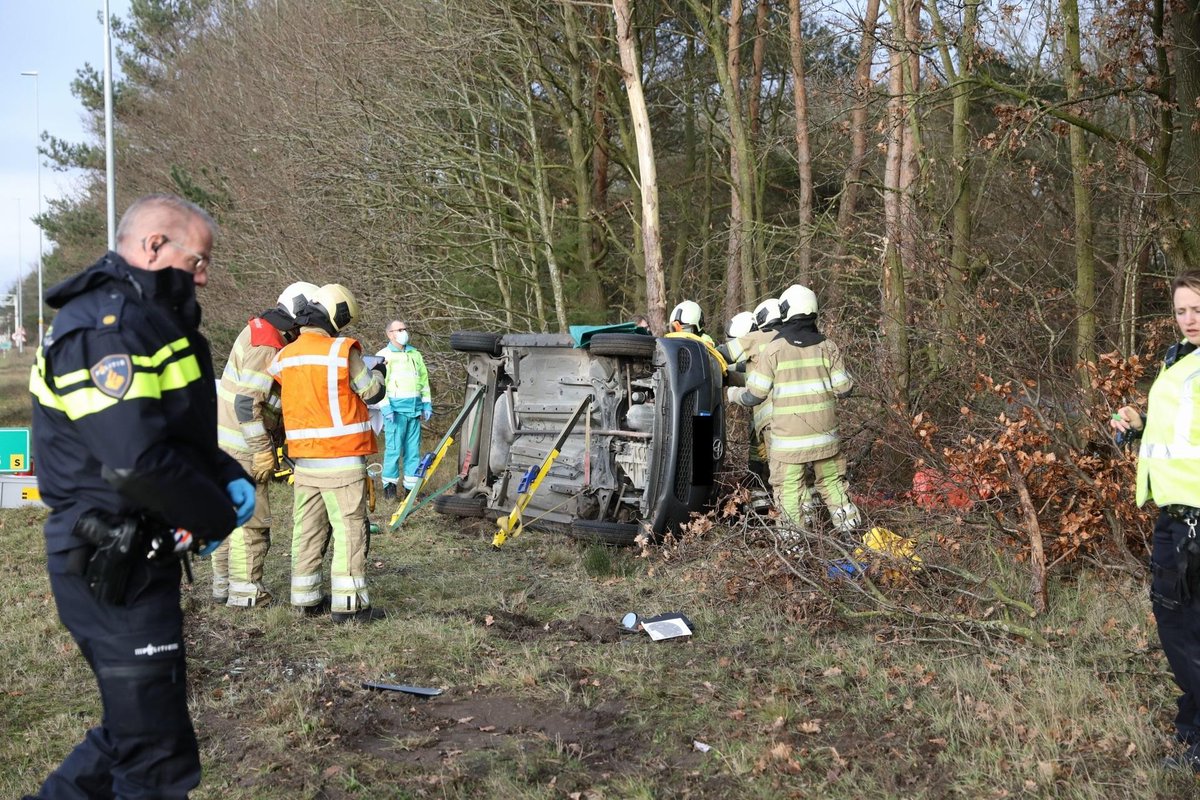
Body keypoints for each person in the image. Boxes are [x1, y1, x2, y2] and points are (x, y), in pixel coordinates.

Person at [25, 193, 255, 799]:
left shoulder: (151, 321)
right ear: (155, 246)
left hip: (138, 551)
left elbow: (170, 428)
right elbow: (135, 460)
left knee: (133, 734)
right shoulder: (107, 329)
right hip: (110, 556)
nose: (204, 275)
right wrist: (214, 517)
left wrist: (223, 468)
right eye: (198, 260)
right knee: (154, 758)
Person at [1112, 272, 1200, 771]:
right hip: (1174, 512)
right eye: (1182, 310)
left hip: (1194, 521)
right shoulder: (1179, 359)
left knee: (1181, 628)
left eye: (1198, 310)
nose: (1189, 320)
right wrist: (1139, 425)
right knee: (1187, 627)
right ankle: (1192, 732)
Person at [269, 283, 387, 623]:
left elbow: (277, 404)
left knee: (307, 531)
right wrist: (379, 373)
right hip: (342, 461)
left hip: (304, 464)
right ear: (336, 316)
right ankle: (349, 608)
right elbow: (371, 391)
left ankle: (306, 599)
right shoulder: (341, 351)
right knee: (350, 531)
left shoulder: (284, 357)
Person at [212, 280, 318, 607]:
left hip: (225, 442)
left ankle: (223, 587)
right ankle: (246, 594)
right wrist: (262, 452)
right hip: (242, 447)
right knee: (252, 522)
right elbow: (248, 404)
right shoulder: (269, 345)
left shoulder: (259, 330)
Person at [726, 284, 859, 534]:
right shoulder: (828, 347)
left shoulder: (775, 349)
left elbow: (755, 395)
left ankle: (794, 545)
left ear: (786, 311)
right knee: (833, 484)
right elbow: (845, 389)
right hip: (826, 440)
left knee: (789, 490)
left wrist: (731, 393)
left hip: (789, 444)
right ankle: (851, 535)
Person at [721, 298, 783, 492]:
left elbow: (727, 361)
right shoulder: (777, 346)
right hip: (778, 424)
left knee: (782, 476)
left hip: (775, 422)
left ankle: (778, 510)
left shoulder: (756, 344)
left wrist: (730, 393)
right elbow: (740, 372)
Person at [378, 319, 432, 500]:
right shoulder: (383, 355)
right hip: (395, 411)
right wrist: (385, 408)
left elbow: (423, 381)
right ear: (390, 334)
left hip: (414, 409)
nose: (403, 332)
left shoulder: (415, 354)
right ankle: (389, 488)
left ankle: (411, 489)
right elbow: (379, 386)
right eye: (399, 329)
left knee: (413, 451)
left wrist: (426, 403)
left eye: (404, 329)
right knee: (393, 450)